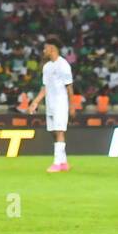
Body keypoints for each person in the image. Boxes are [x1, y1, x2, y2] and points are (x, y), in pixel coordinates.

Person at [30, 37, 74, 172]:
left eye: (45, 48)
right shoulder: (47, 67)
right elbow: (45, 87)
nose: (44, 50)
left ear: (52, 48)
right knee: (54, 133)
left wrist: (72, 105)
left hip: (61, 103)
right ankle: (64, 162)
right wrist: (35, 102)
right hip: (50, 104)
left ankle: (56, 163)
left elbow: (69, 87)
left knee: (60, 131)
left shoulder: (63, 65)